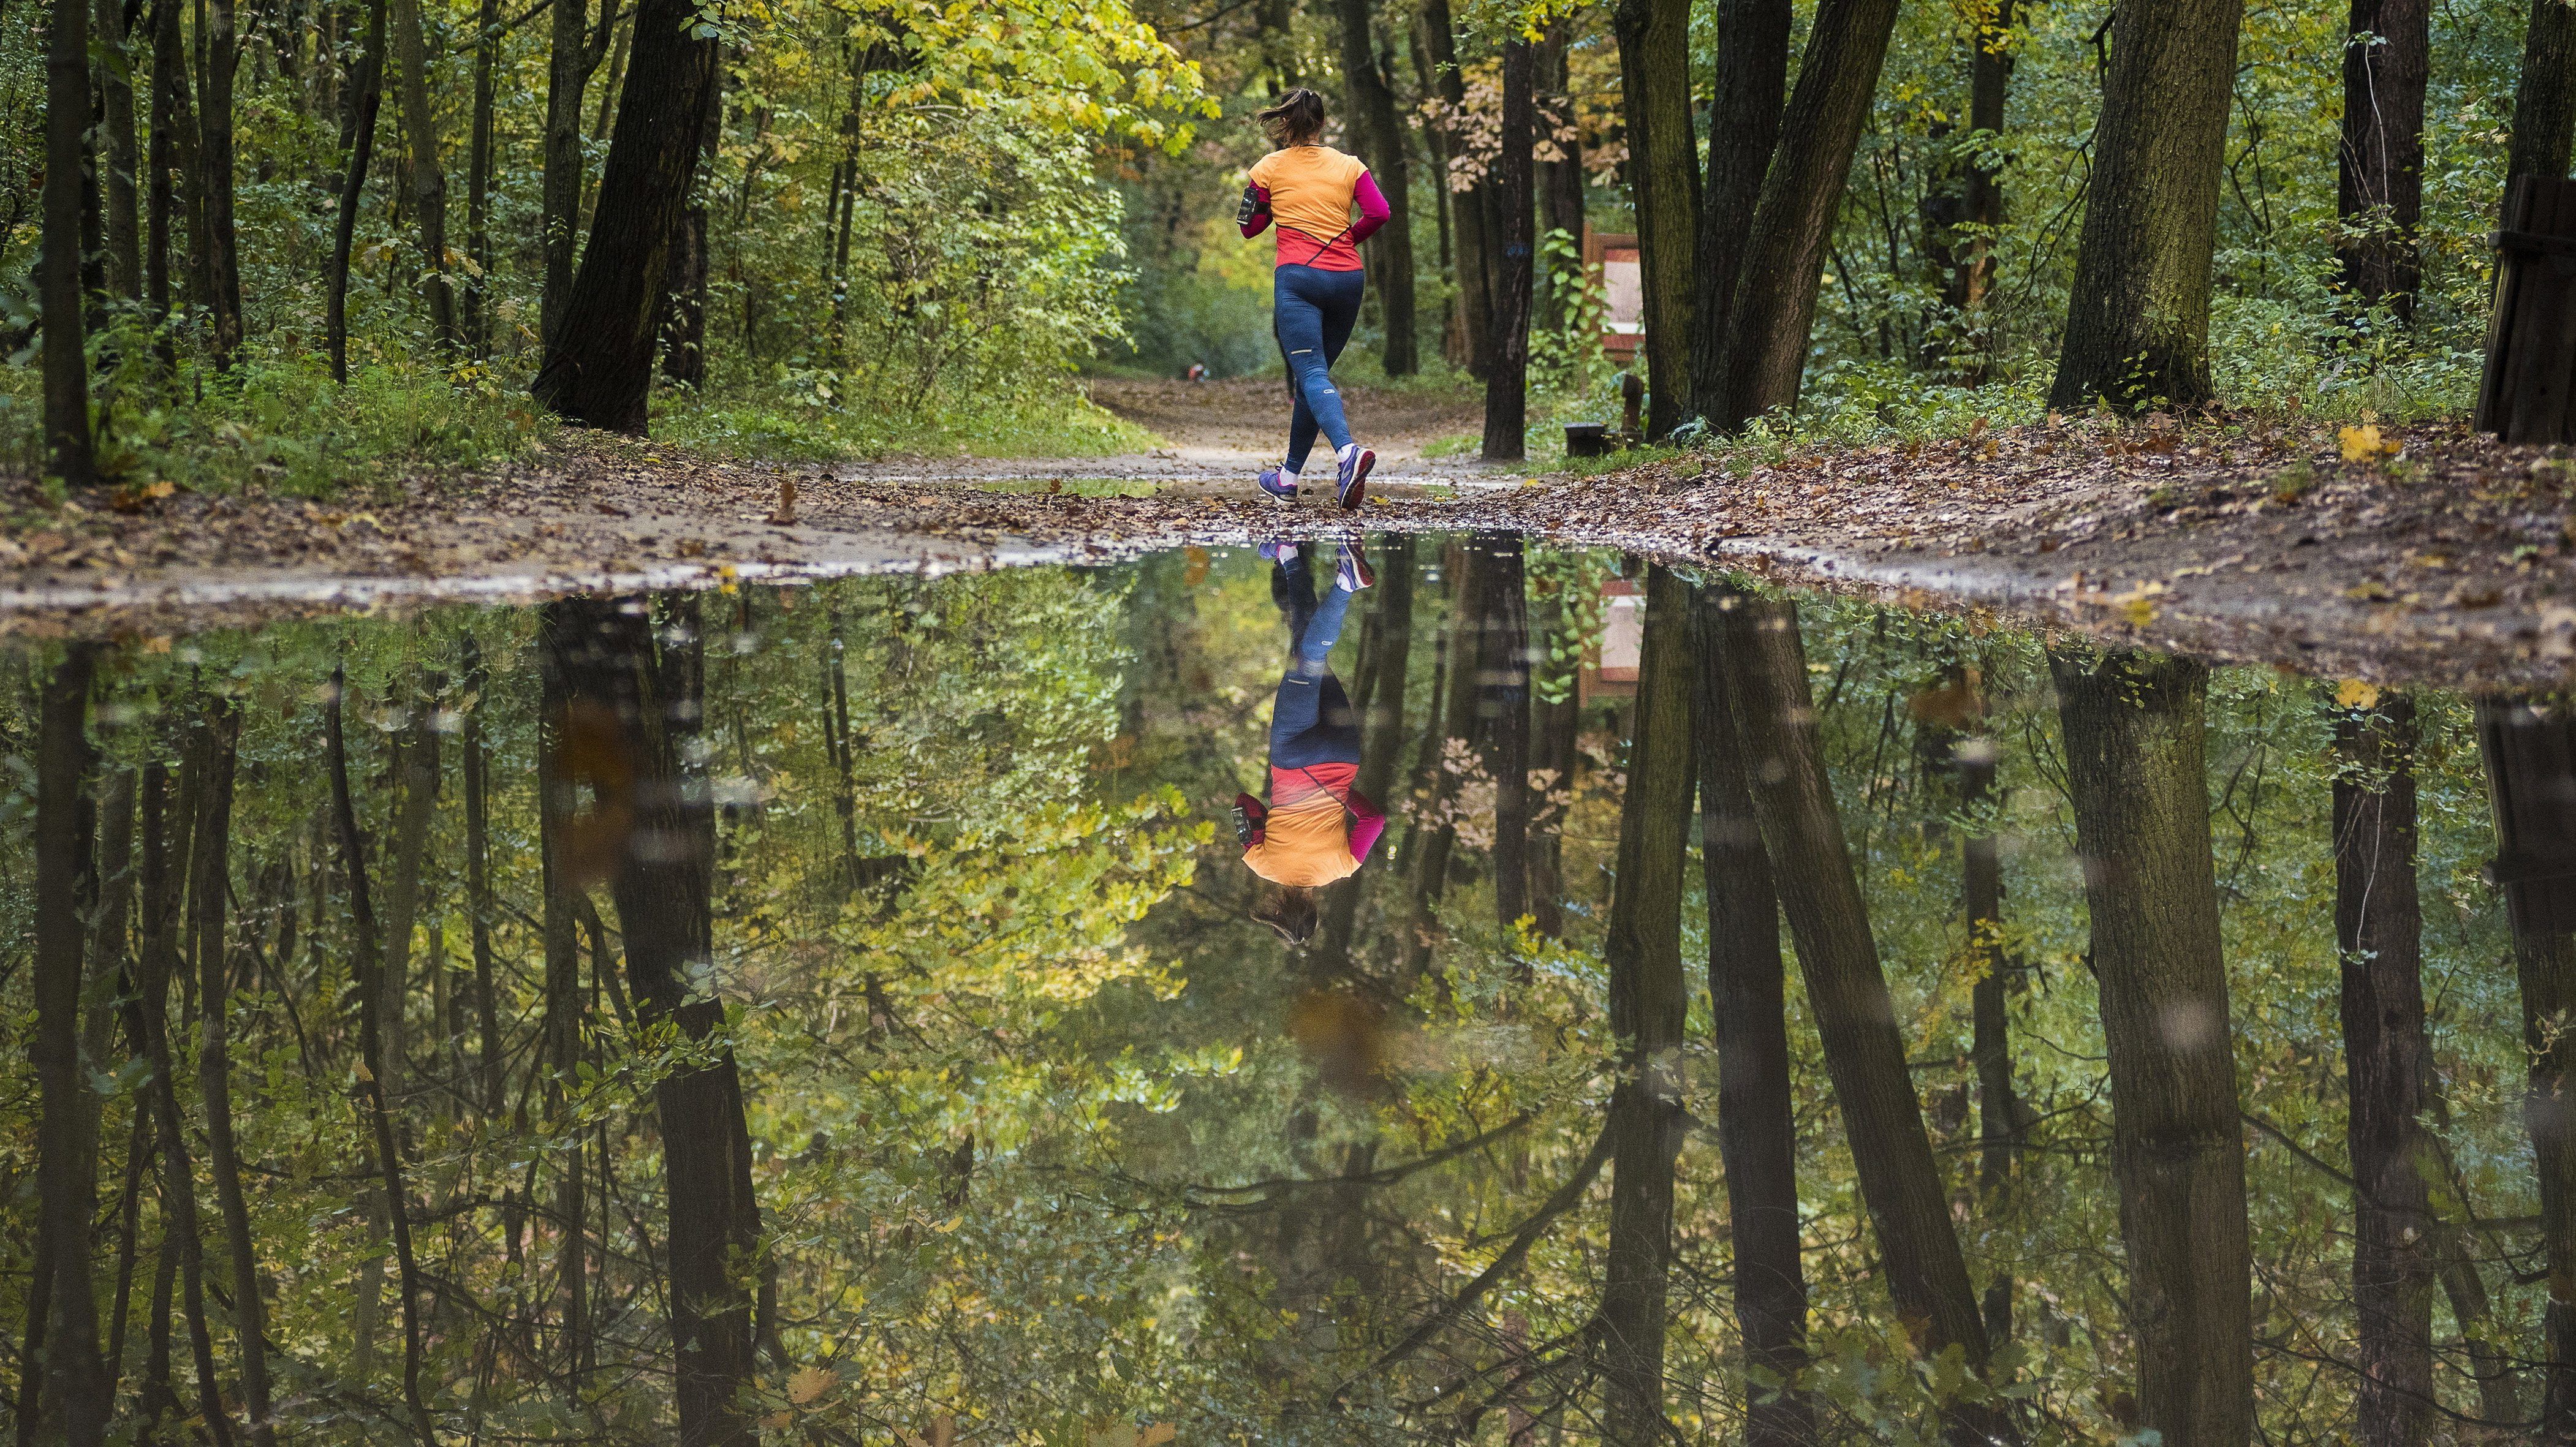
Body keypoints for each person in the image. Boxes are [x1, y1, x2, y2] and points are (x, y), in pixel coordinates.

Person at [1238, 88, 1389, 510]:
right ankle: (1287, 479)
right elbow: (1380, 213)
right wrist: (1348, 239)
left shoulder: (1267, 169)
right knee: (1313, 377)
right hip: (1347, 280)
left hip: (1299, 279)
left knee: (1311, 373)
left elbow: (1249, 228)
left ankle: (1348, 454)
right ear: (1323, 123)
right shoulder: (1350, 166)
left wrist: (1273, 206)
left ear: (1285, 124)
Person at [1238, 539, 1387, 943]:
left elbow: (1375, 820)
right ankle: (1345, 584)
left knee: (1310, 651)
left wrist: (1340, 793)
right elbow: (1244, 804)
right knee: (1310, 658)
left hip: (1341, 757)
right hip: (1293, 754)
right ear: (1278, 906)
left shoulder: (1344, 867)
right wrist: (1267, 822)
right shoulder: (1259, 862)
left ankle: (1289, 556)